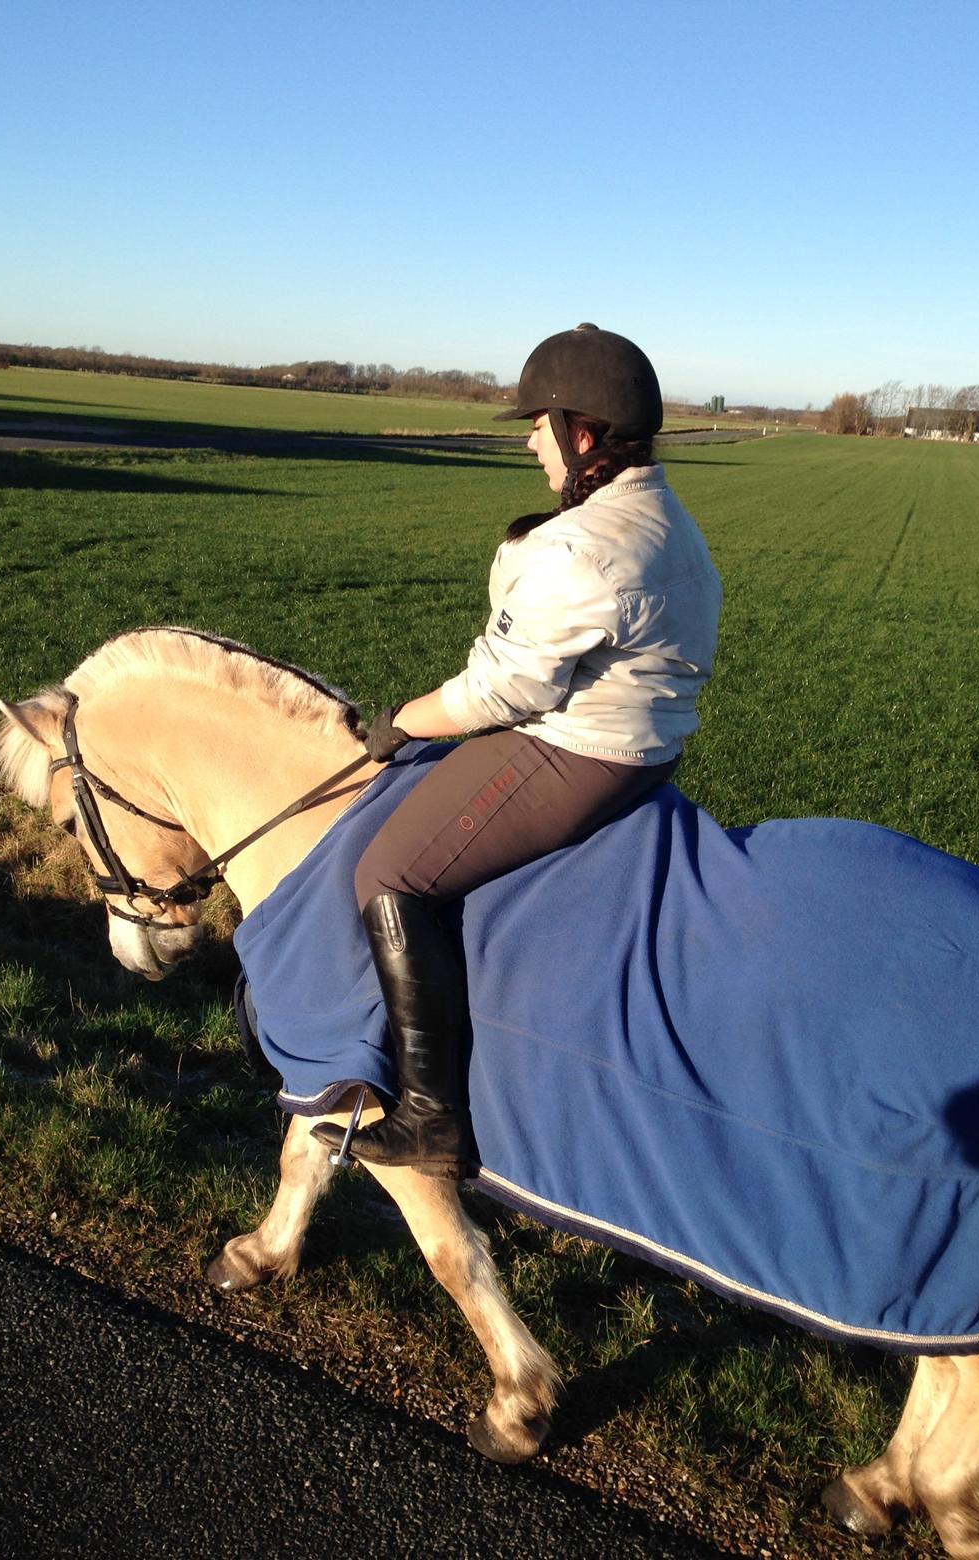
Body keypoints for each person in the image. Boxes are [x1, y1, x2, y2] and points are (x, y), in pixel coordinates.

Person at [311, 324, 722, 1177]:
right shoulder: (664, 515)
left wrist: (401, 719)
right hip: (645, 746)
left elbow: (502, 691)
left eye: (539, 422)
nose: (528, 438)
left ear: (584, 433)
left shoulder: (579, 546)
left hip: (578, 752)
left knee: (388, 874)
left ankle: (431, 1116)